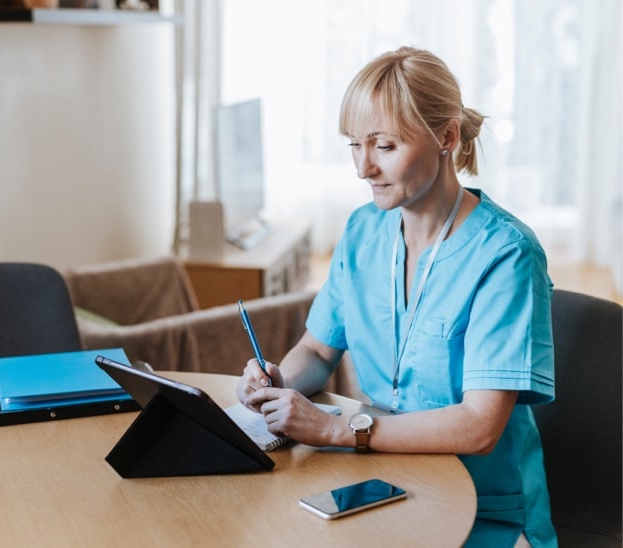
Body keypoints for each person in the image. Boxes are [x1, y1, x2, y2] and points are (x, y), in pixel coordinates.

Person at [236, 46, 556, 547]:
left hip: (484, 509)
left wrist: (337, 430)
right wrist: (276, 384)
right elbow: (319, 350)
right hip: (379, 486)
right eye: (354, 145)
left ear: (446, 137)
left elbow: (478, 428)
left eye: (383, 146)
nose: (363, 168)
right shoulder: (363, 231)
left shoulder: (506, 254)